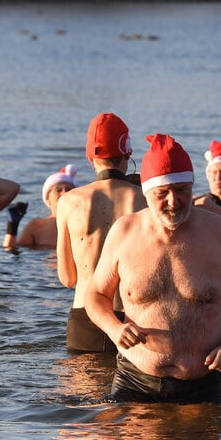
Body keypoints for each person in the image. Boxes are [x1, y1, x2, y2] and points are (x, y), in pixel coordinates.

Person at [85, 133, 221, 403]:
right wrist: (113, 328)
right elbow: (95, 295)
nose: (173, 201)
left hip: (202, 381)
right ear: (146, 192)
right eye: (162, 193)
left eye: (182, 190)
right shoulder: (124, 232)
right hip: (135, 378)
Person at [56, 112, 146, 353]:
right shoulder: (146, 199)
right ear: (127, 154)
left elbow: (67, 278)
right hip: (134, 319)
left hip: (84, 317)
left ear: (90, 156)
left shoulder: (68, 201)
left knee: (80, 390)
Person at [3, 164, 78, 250]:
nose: (64, 194)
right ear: (47, 197)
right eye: (58, 190)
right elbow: (11, 250)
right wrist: (12, 227)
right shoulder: (36, 227)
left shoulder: (86, 223)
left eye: (69, 189)